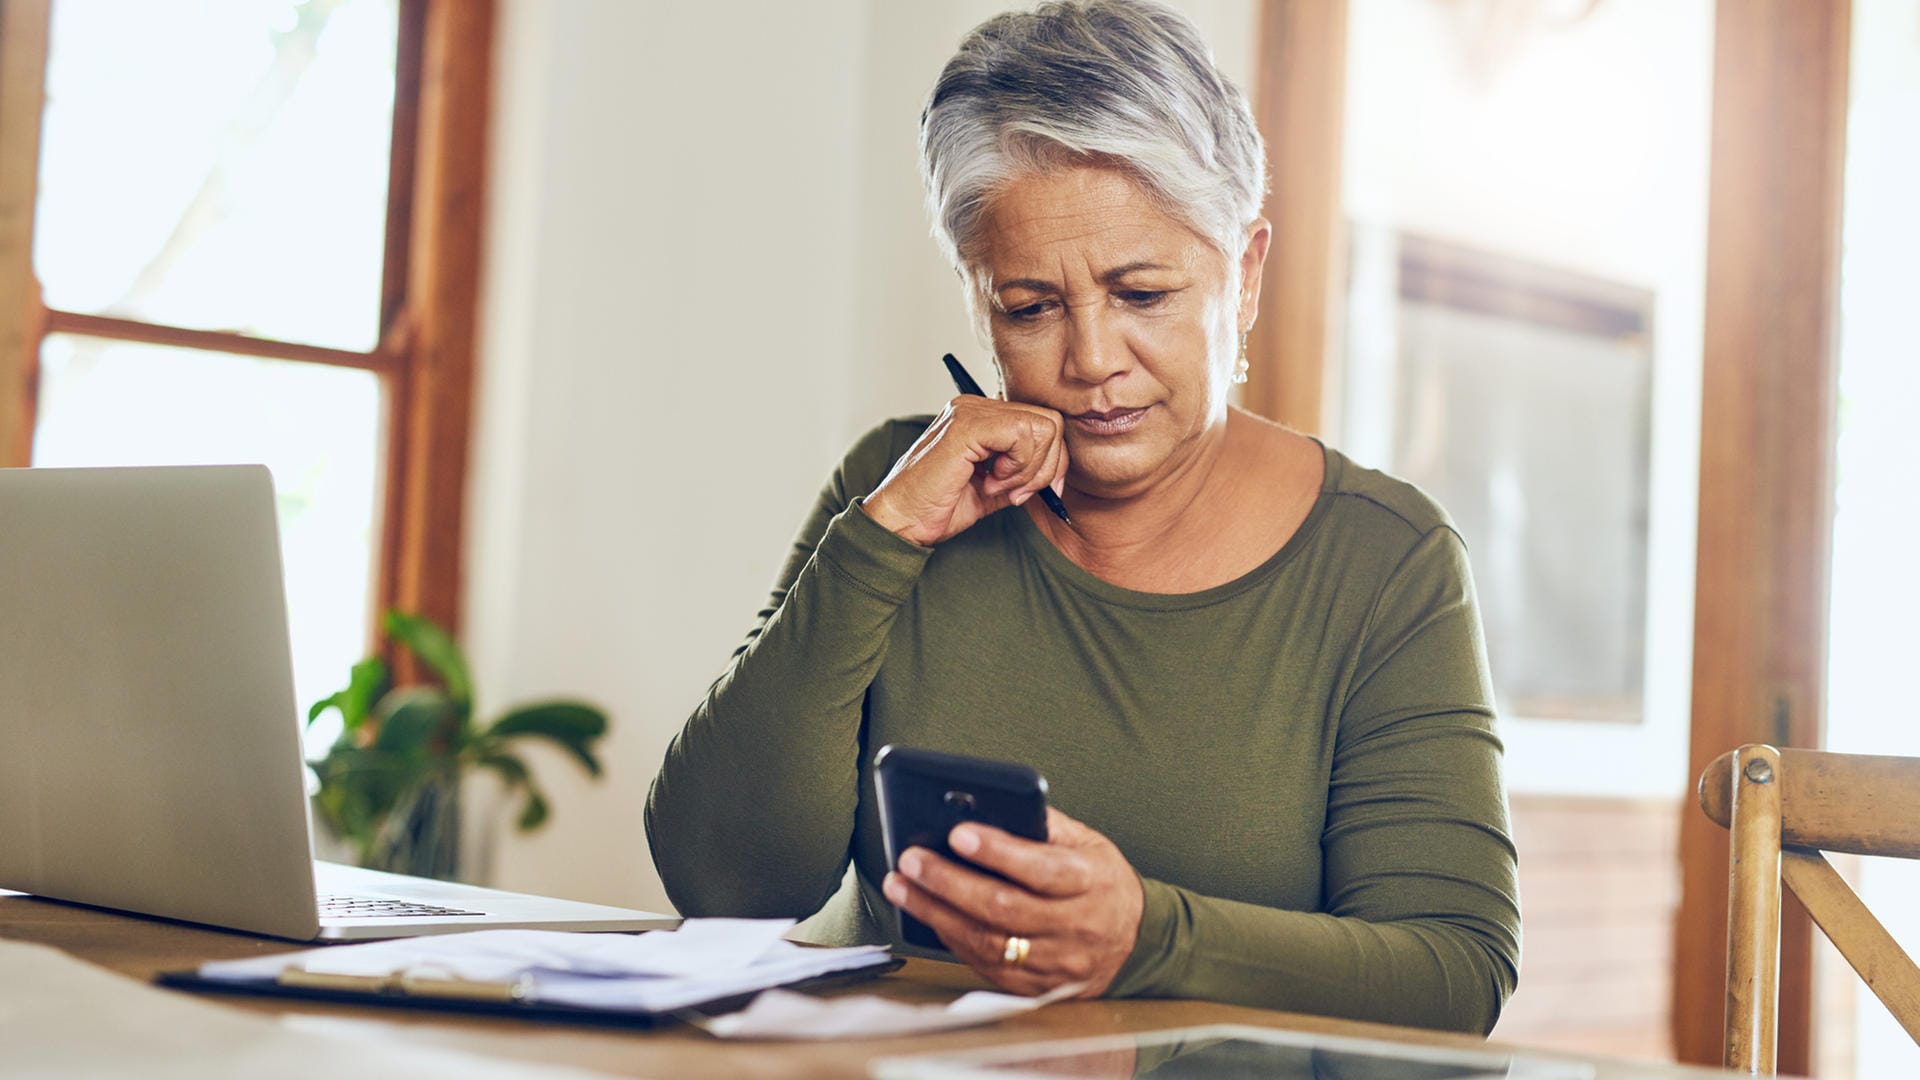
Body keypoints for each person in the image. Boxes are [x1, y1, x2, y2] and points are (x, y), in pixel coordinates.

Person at [646, 0, 1519, 1034]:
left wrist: (1149, 939)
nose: (1092, 360)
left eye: (1141, 293)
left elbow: (1452, 979)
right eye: (1029, 307)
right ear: (977, 300)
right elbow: (724, 882)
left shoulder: (1385, 558)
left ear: (1242, 275)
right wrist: (878, 544)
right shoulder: (896, 484)